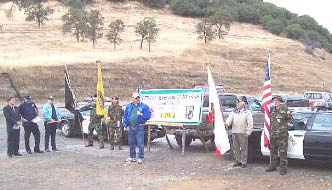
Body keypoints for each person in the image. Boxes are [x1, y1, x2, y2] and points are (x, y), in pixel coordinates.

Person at [265, 96, 293, 175]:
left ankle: (283, 168)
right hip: (273, 135)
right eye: (274, 100)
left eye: (276, 100)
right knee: (273, 152)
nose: (275, 102)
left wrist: (284, 126)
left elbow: (291, 121)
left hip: (282, 136)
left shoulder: (285, 110)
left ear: (280, 101)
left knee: (282, 153)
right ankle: (272, 166)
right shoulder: (273, 110)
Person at [123, 92, 151, 164]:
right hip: (131, 126)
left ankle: (141, 157)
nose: (137, 99)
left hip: (139, 126)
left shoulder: (144, 106)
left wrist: (141, 114)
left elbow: (148, 116)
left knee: (140, 143)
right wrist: (125, 125)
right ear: (132, 99)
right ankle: (132, 157)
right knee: (131, 142)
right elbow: (126, 116)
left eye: (138, 98)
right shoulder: (129, 106)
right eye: (135, 98)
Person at [226, 98, 253, 168]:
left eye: (239, 103)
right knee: (236, 148)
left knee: (244, 148)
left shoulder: (247, 112)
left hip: (243, 132)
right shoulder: (233, 112)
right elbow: (229, 120)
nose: (237, 104)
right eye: (237, 103)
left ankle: (244, 162)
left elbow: (250, 123)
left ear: (243, 104)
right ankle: (238, 160)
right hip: (235, 132)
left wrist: (248, 131)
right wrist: (226, 123)